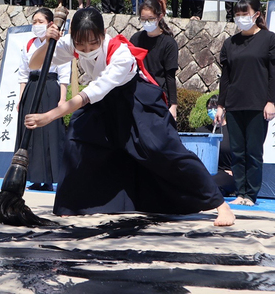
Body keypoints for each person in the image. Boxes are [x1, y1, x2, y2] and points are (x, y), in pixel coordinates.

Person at [26, 7, 235, 226]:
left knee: (161, 148)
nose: (86, 49)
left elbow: (91, 93)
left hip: (135, 99)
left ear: (103, 33)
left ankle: (221, 205)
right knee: (77, 141)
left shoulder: (120, 53)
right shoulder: (72, 41)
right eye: (81, 45)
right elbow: (35, 63)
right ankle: (71, 205)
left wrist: (50, 115)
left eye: (93, 44)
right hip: (104, 104)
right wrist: (48, 43)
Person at [215, 0, 275, 206]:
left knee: (254, 151)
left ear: (256, 14)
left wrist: (271, 101)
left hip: (258, 105)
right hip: (234, 104)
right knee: (237, 151)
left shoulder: (269, 39)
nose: (241, 17)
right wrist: (221, 105)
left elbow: (273, 75)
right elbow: (226, 78)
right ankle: (240, 192)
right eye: (237, 14)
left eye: (245, 13)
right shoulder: (230, 43)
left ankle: (251, 194)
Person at [16, 8, 71, 191]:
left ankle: (49, 178)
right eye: (34, 22)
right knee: (30, 134)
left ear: (49, 24)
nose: (36, 25)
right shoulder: (28, 44)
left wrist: (62, 99)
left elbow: (64, 73)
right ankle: (31, 176)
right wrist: (21, 98)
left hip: (49, 88)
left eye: (40, 21)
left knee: (48, 133)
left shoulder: (59, 43)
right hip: (31, 88)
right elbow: (23, 74)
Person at [130, 0, 178, 120]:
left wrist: (173, 105)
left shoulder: (169, 43)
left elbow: (170, 76)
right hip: (138, 96)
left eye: (150, 19)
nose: (146, 23)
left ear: (160, 16)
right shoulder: (136, 39)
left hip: (159, 98)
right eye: (143, 19)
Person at [196, 96, 234, 197]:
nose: (212, 110)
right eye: (209, 108)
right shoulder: (201, 131)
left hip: (226, 173)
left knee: (211, 183)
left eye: (215, 107)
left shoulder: (233, 131)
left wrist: (234, 171)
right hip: (205, 172)